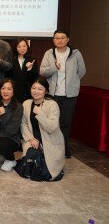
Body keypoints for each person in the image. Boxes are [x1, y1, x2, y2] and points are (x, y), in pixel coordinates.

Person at [40, 28, 86, 158]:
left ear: (67, 39)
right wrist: (54, 67)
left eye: (62, 37)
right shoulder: (49, 53)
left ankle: (64, 148)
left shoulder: (75, 54)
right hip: (53, 94)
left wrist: (72, 82)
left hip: (69, 95)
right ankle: (51, 148)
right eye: (56, 38)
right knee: (52, 122)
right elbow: (43, 71)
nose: (59, 40)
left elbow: (81, 71)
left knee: (65, 123)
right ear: (53, 40)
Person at [20, 78, 65, 181]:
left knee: (47, 173)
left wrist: (40, 114)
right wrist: (31, 138)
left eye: (40, 89)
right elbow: (23, 124)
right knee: (32, 154)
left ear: (46, 91)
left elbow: (52, 128)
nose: (36, 91)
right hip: (33, 139)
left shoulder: (52, 105)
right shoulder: (26, 103)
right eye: (33, 88)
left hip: (50, 140)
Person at [6, 37, 39, 103]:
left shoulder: (32, 59)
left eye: (24, 46)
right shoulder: (11, 59)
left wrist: (30, 69)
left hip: (27, 91)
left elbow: (35, 78)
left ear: (27, 47)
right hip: (14, 91)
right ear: (15, 48)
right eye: (19, 46)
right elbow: (7, 76)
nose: (22, 49)